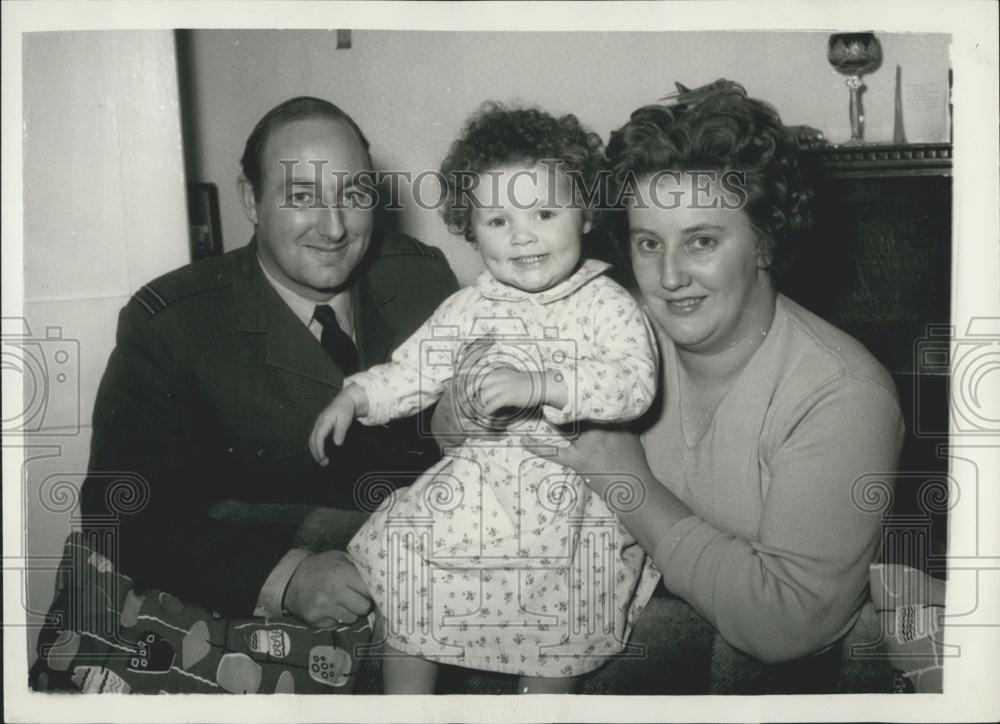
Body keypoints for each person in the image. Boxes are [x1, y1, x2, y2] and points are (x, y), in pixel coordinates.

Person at [432, 83, 906, 694]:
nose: (670, 275)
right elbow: (452, 436)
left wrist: (626, 482)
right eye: (648, 244)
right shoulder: (608, 329)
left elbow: (787, 623)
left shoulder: (843, 395)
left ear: (764, 242)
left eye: (702, 241)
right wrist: (468, 397)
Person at [310, 105, 661, 694]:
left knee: (557, 624)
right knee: (412, 576)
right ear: (471, 229)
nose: (522, 235)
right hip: (476, 493)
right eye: (498, 220)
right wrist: (357, 396)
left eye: (544, 213)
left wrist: (543, 386)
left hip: (564, 502)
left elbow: (633, 385)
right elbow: (415, 369)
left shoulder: (607, 304)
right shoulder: (470, 305)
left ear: (584, 213)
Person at [78, 97, 459, 631]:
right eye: (302, 196)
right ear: (251, 200)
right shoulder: (172, 325)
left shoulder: (422, 280)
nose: (333, 228)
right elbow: (116, 512)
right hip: (270, 638)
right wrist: (286, 577)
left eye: (352, 195)